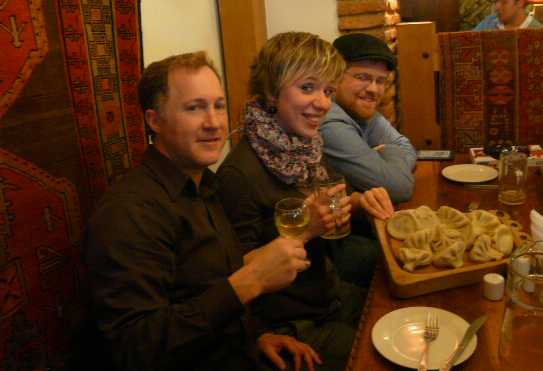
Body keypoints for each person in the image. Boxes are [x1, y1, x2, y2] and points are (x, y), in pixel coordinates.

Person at [83, 51, 319, 371]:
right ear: (155, 121)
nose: (214, 123)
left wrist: (258, 334)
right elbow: (135, 347)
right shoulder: (129, 211)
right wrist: (249, 282)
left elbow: (206, 288)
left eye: (218, 106)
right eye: (194, 108)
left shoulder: (204, 185)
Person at [216, 32, 393, 371]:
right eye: (308, 88)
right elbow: (229, 274)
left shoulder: (304, 146)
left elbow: (330, 205)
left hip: (328, 294)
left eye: (327, 91)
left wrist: (360, 202)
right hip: (290, 324)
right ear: (271, 91)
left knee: (407, 312)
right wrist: (259, 334)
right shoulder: (239, 174)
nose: (323, 104)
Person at [319, 33, 417, 204]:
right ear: (333, 78)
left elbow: (406, 147)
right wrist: (388, 153)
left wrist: (387, 162)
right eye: (362, 77)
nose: (373, 89)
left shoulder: (359, 110)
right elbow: (400, 188)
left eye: (380, 81)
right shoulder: (329, 120)